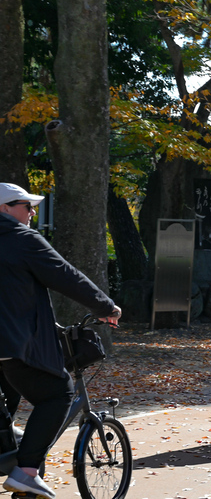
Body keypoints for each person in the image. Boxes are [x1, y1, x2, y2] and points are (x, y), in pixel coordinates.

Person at [0, 183, 121, 499]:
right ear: (5, 209)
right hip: (12, 344)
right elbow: (64, 274)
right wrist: (105, 307)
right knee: (58, 393)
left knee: (8, 393)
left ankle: (8, 445)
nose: (32, 213)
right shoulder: (20, 239)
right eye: (26, 206)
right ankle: (26, 472)